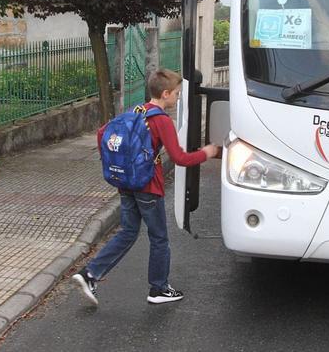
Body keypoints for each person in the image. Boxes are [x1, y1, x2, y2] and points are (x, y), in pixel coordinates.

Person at [72, 69, 220, 306]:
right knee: (159, 238)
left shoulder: (135, 111)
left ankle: (90, 274)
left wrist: (118, 164)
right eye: (177, 94)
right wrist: (206, 152)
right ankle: (159, 288)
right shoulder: (161, 120)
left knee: (128, 232)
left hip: (126, 184)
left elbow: (102, 135)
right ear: (165, 93)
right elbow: (180, 158)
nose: (178, 98)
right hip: (148, 186)